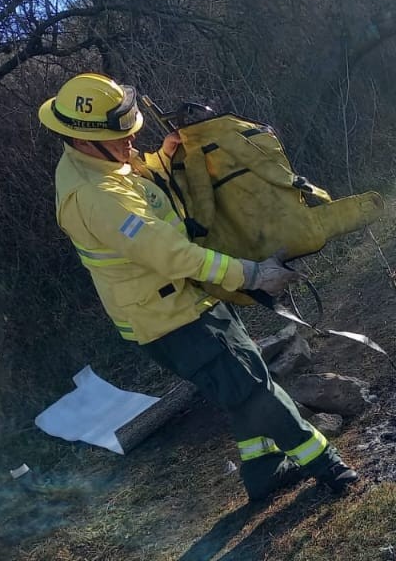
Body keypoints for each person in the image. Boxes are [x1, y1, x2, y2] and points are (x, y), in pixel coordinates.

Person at [37, 72, 359, 501]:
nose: (131, 143)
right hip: (172, 320)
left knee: (244, 381)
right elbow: (171, 253)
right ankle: (327, 465)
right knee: (254, 390)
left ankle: (264, 472)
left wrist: (166, 157)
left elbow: (137, 173)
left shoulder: (97, 161)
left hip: (187, 300)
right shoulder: (96, 198)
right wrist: (251, 274)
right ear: (82, 138)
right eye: (121, 138)